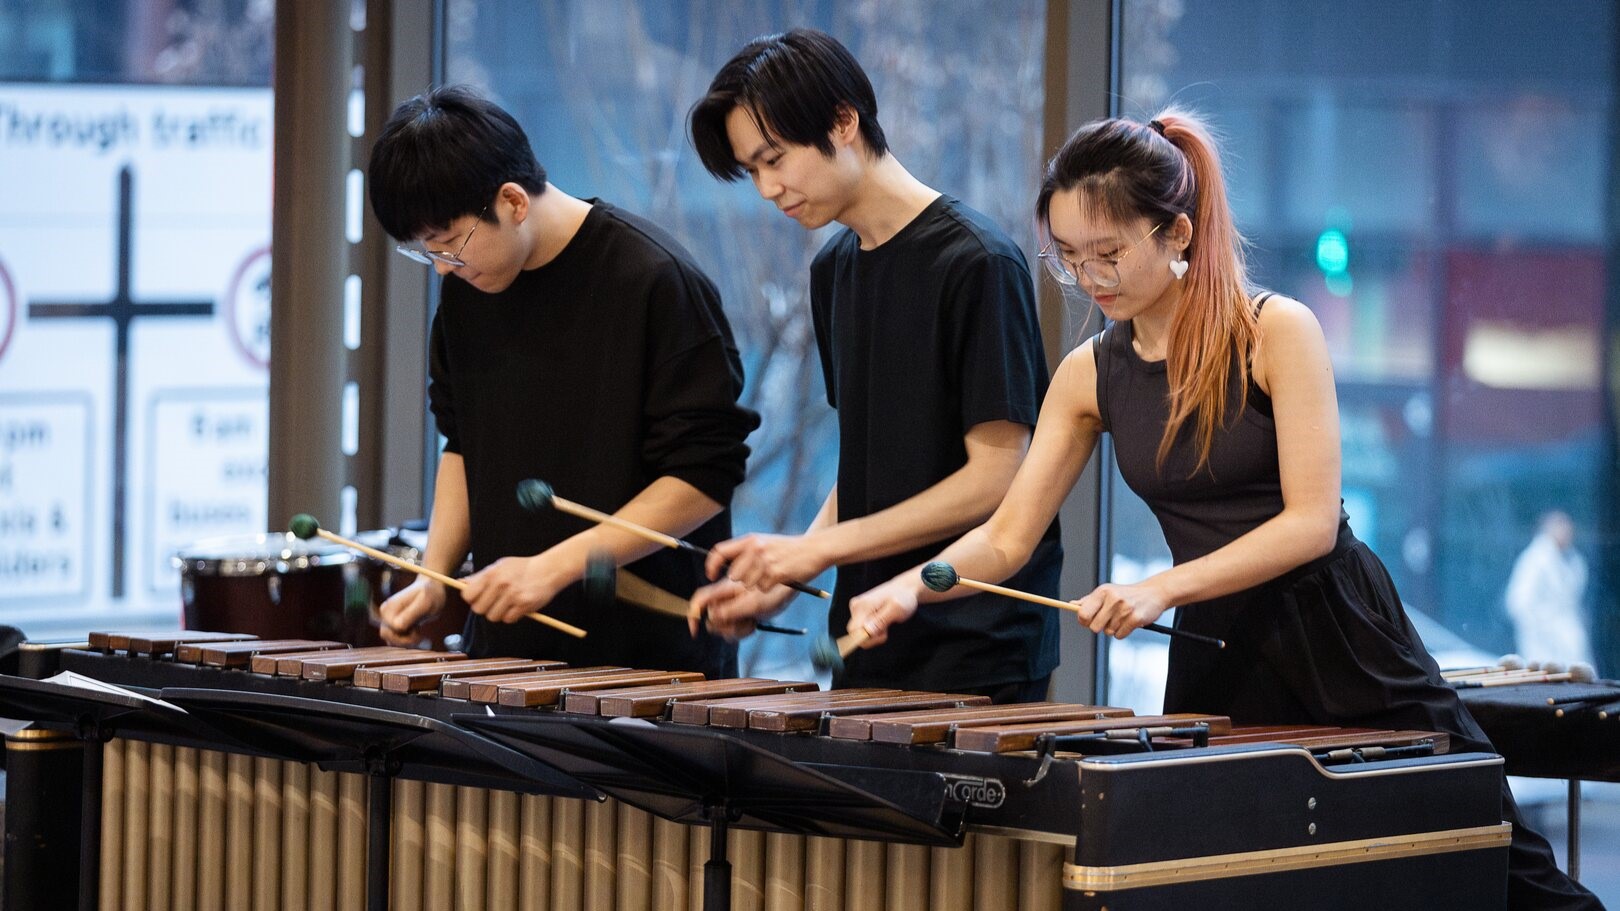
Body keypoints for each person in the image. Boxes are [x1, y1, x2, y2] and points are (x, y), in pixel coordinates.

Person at [846, 110, 1603, 909]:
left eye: (1109, 253)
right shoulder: (1089, 373)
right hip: (1217, 649)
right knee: (1227, 878)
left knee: (1496, 860)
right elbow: (1007, 536)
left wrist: (1163, 588)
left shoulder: (1276, 331)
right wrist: (911, 588)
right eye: (1069, 258)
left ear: (1176, 233)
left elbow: (1312, 524)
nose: (1091, 278)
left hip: (1342, 634)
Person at [684, 29, 1062, 703]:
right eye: (753, 172)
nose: (768, 188)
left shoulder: (977, 262)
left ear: (843, 120)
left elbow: (997, 476)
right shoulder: (834, 270)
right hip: (865, 632)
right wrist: (784, 577)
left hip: (975, 642)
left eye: (775, 159)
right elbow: (863, 469)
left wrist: (820, 552)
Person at [366, 86, 759, 677]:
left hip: (648, 666)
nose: (446, 267)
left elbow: (704, 478)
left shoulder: (654, 282)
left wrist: (555, 566)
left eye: (450, 246)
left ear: (513, 201)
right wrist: (435, 576)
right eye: (428, 253)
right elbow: (464, 442)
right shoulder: (467, 296)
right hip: (504, 660)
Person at [1505, 510, 1594, 667]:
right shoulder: (1534, 559)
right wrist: (1539, 628)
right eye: (1561, 527)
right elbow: (1517, 602)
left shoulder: (1573, 559)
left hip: (1569, 638)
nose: (1567, 532)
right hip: (1542, 642)